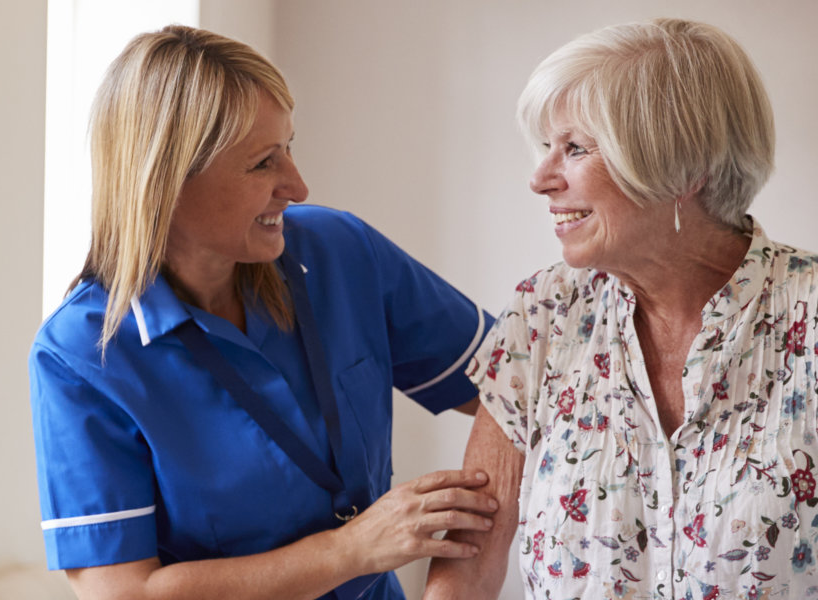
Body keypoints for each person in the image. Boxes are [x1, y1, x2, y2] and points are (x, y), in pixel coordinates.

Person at [425, 18, 818, 600]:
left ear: (680, 169)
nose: (540, 179)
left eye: (575, 149)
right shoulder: (541, 315)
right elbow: (469, 561)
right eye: (547, 147)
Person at [30, 26, 499, 600]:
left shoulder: (340, 251)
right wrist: (351, 550)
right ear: (167, 181)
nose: (297, 186)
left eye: (291, 148)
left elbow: (519, 390)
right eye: (262, 164)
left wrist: (456, 587)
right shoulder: (81, 355)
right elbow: (124, 593)